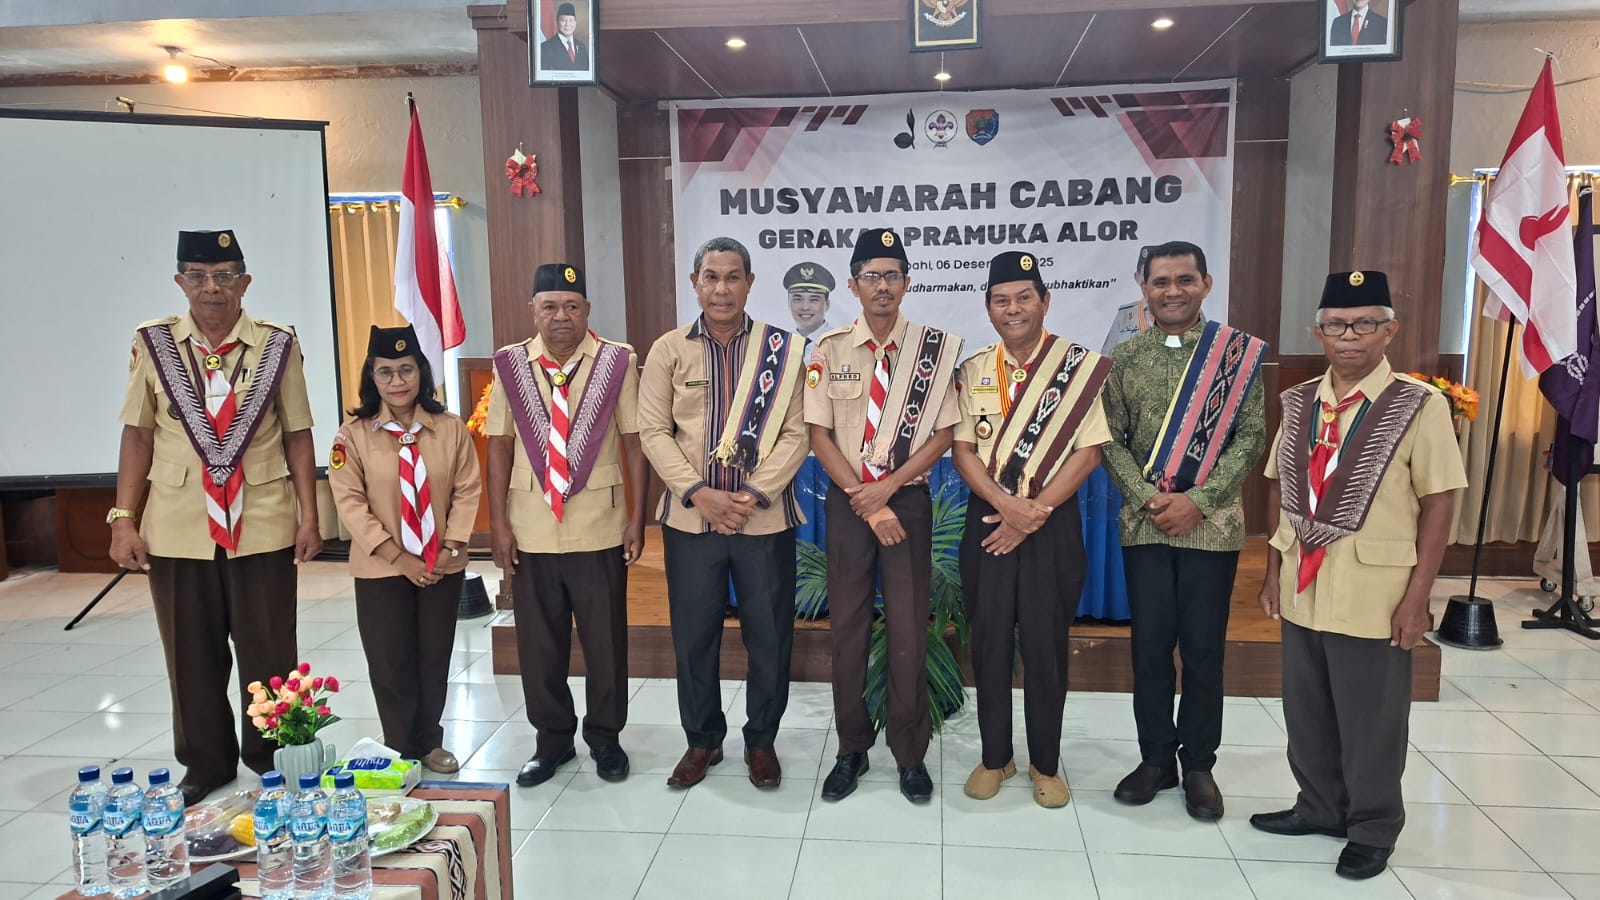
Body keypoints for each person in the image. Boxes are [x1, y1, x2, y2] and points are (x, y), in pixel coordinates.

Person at [1252, 271, 1465, 880]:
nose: (1350, 336)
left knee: (1372, 715)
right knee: (1308, 708)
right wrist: (1272, 572)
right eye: (1337, 324)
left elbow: (1440, 501)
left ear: (1389, 329)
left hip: (1378, 588)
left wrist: (1419, 597)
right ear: (1317, 332)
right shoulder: (1299, 402)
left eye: (1365, 323)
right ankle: (1319, 807)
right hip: (1304, 582)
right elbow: (1280, 492)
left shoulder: (1418, 405)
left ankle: (1372, 827)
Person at [109, 229, 321, 806]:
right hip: (180, 525)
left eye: (225, 275)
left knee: (270, 651)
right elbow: (138, 433)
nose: (212, 288)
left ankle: (276, 755)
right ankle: (205, 762)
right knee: (190, 653)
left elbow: (298, 433)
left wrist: (309, 514)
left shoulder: (277, 345)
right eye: (199, 276)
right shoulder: (152, 345)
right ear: (180, 282)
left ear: (244, 282)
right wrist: (124, 518)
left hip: (263, 520)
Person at [1100, 240, 1267, 821]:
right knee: (1149, 652)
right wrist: (1149, 498)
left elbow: (1250, 436)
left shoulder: (1237, 355)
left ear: (1207, 283)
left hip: (1211, 530)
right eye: (1161, 281)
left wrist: (1198, 499)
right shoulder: (1124, 359)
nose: (1173, 291)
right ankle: (1154, 759)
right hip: (1145, 530)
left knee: (1201, 652)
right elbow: (1109, 441)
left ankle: (1198, 765)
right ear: (1143, 287)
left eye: (1185, 280)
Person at [638, 237, 810, 790]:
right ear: (695, 284)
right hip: (692, 521)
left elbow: (797, 433)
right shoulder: (667, 350)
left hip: (764, 520)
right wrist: (699, 493)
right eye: (710, 277)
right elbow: (653, 432)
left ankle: (761, 740)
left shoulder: (783, 349)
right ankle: (702, 741)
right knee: (694, 636)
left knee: (769, 636)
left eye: (732, 277)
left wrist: (754, 494)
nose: (721, 288)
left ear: (750, 284)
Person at [804, 227, 963, 804]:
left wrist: (889, 489)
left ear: (907, 283)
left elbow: (945, 432)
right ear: (852, 284)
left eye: (892, 275)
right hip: (850, 506)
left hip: (909, 502)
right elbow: (819, 437)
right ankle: (851, 749)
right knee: (846, 628)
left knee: (908, 627)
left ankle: (910, 754)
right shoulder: (828, 351)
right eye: (871, 276)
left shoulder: (931, 348)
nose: (882, 286)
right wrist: (867, 501)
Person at [953, 250, 1112, 809]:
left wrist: (1033, 512)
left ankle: (1046, 763)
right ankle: (996, 757)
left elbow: (1089, 453)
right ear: (989, 308)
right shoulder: (974, 370)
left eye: (1024, 297)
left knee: (1045, 647)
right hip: (989, 516)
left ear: (1045, 301)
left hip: (1052, 521)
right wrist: (1005, 504)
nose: (1013, 308)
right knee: (989, 641)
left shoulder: (1078, 366)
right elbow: (962, 450)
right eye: (1001, 300)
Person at [487, 263, 646, 788]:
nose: (561, 316)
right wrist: (499, 527)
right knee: (539, 645)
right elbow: (500, 445)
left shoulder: (615, 362)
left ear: (587, 311)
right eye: (550, 306)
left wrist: (637, 519)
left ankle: (606, 738)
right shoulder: (511, 365)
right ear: (533, 309)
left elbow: (633, 442)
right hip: (531, 526)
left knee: (605, 642)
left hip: (599, 523)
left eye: (572, 306)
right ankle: (551, 741)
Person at [328, 325, 481, 774]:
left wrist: (450, 546)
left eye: (407, 370)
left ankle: (430, 742)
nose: (398, 381)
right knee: (390, 660)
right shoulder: (352, 435)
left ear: (422, 373)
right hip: (382, 568)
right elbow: (349, 502)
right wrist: (400, 557)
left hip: (441, 565)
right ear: (371, 377)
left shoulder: (450, 429)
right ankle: (400, 747)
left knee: (434, 655)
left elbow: (467, 490)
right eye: (386, 372)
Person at [784, 261, 835, 346]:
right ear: (789, 303)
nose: (805, 307)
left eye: (814, 300)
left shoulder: (840, 343)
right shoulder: (782, 344)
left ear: (827, 305)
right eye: (797, 299)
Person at [539, 3, 589, 71]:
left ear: (575, 23)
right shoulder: (545, 48)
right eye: (563, 20)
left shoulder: (581, 47)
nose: (567, 24)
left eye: (571, 20)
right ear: (557, 22)